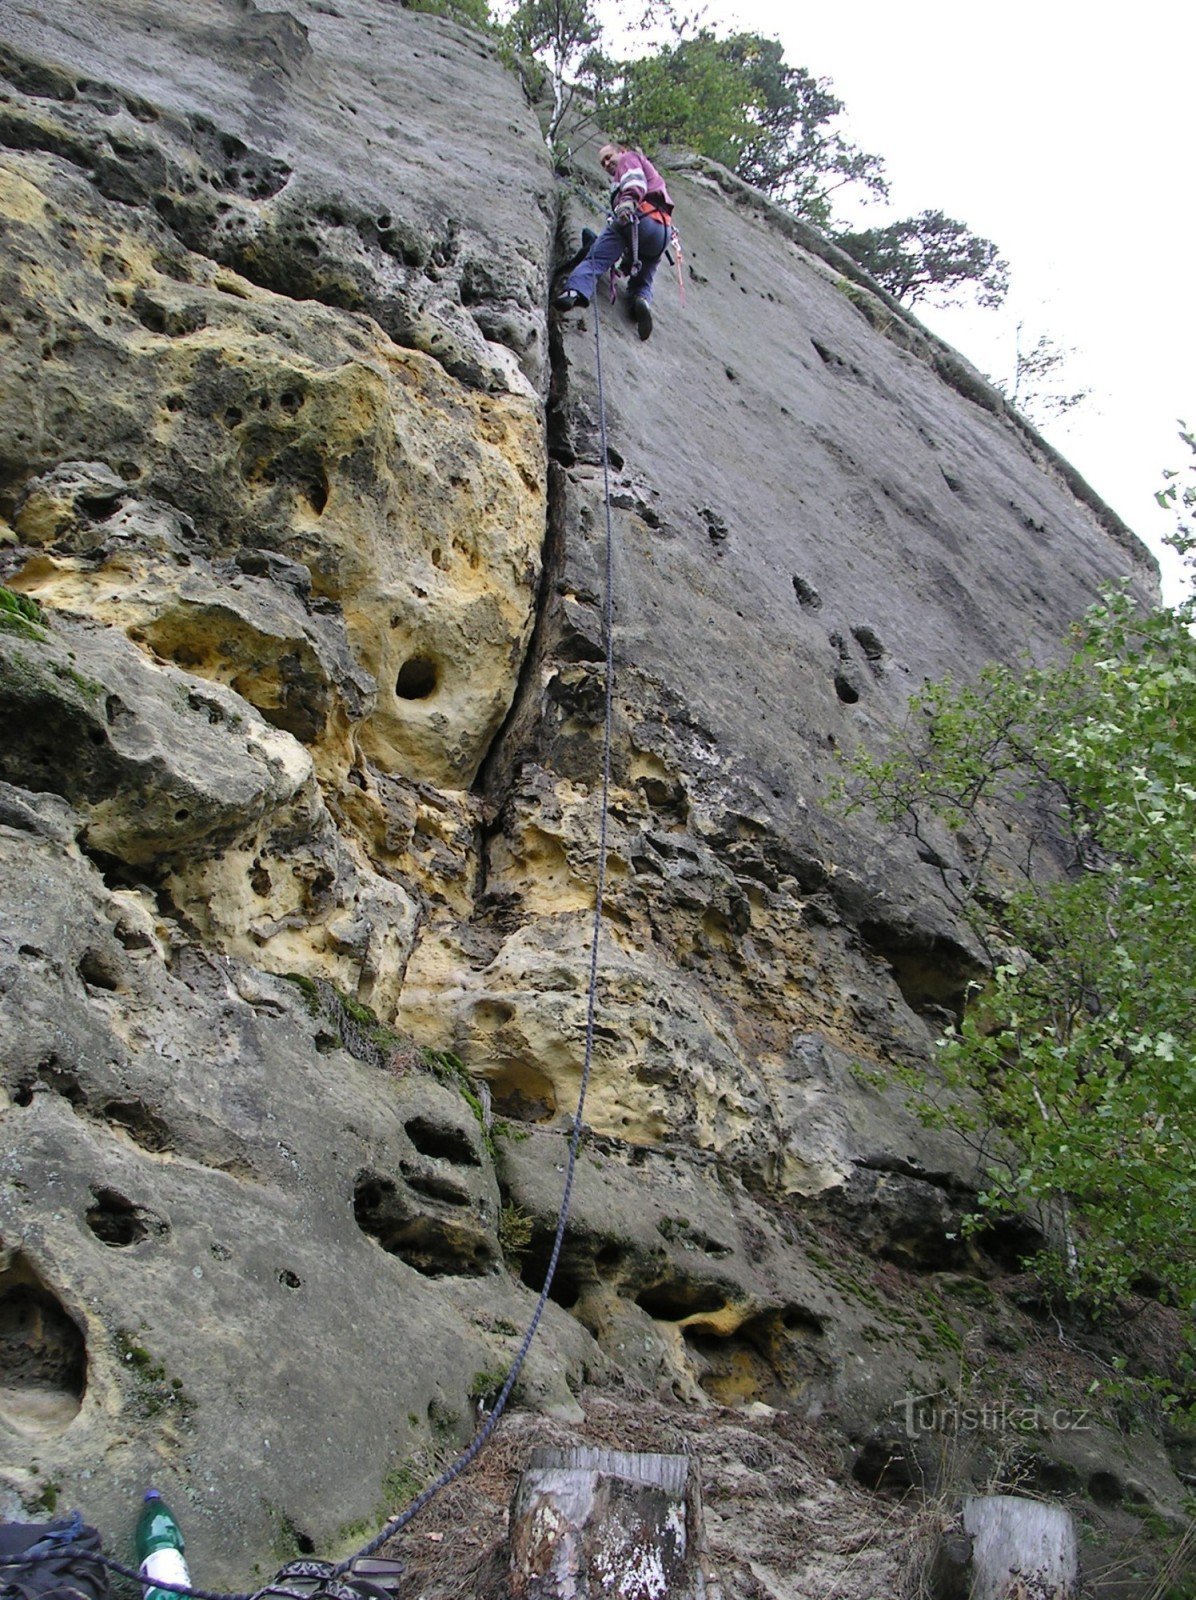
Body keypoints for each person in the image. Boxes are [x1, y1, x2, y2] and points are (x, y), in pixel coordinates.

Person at [555, 143, 673, 341]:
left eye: (609, 157)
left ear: (623, 151)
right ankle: (641, 300)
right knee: (645, 275)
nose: (607, 163)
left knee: (596, 258)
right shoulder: (652, 174)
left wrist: (627, 202)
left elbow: (635, 182)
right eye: (603, 163)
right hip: (662, 233)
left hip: (637, 218)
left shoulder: (629, 159)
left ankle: (574, 291)